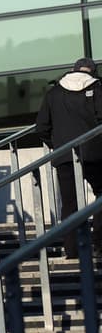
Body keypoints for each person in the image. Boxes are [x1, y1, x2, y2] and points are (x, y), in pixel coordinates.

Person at [35, 57, 102, 261]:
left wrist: (58, 145)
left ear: (73, 70)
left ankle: (72, 250)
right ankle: (99, 244)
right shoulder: (98, 88)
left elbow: (42, 127)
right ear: (92, 71)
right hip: (95, 154)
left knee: (70, 203)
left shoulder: (54, 93)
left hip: (65, 155)